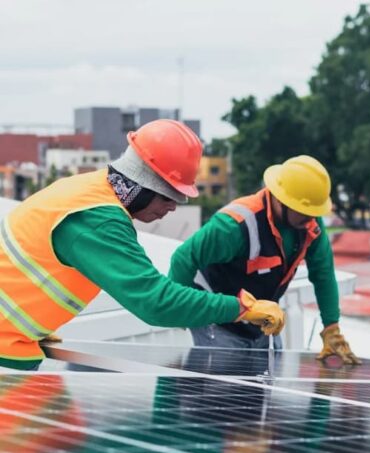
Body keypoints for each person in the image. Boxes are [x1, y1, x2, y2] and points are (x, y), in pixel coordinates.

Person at [0, 119, 284, 370]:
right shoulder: (98, 220)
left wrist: (37, 323)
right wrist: (242, 307)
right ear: (143, 185)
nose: (172, 208)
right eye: (168, 197)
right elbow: (154, 302)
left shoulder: (89, 189)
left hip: (16, 338)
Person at [169, 155, 361, 364]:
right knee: (226, 387)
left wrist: (331, 327)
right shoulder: (235, 225)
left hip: (263, 321)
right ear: (281, 200)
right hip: (220, 322)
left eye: (314, 212)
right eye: (305, 212)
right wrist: (179, 310)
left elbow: (323, 273)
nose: (311, 218)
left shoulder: (309, 225)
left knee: (264, 387)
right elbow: (183, 258)